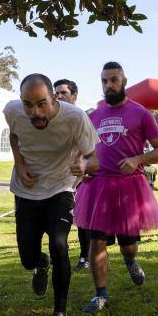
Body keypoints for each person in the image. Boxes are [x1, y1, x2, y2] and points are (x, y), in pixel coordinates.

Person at [5, 74, 98, 316]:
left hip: (61, 189)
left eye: (41, 104)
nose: (35, 112)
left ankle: (59, 315)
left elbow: (94, 159)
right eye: (28, 105)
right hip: (26, 191)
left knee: (59, 245)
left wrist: (82, 166)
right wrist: (19, 164)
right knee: (27, 258)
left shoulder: (75, 117)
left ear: (54, 98)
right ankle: (40, 264)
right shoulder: (12, 110)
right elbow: (14, 136)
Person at [74, 62, 158, 313]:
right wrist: (83, 167)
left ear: (124, 81)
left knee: (128, 245)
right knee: (96, 242)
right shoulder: (93, 116)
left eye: (114, 80)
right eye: (104, 81)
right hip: (98, 186)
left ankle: (130, 260)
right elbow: (84, 152)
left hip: (129, 187)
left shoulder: (141, 113)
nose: (109, 85)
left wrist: (137, 160)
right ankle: (100, 295)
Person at [54, 78, 92, 272]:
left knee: (82, 221)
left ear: (75, 96)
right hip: (58, 182)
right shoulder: (51, 118)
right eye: (56, 93)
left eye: (63, 93)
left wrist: (85, 165)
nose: (58, 96)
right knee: (57, 223)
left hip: (82, 181)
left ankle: (85, 256)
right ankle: (58, 253)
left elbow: (95, 150)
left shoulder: (84, 118)